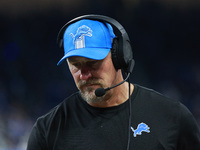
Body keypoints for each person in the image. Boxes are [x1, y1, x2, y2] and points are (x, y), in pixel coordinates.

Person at [27, 15, 200, 150]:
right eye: (76, 65)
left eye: (93, 63)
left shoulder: (173, 117)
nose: (84, 75)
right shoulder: (48, 130)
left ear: (119, 56)